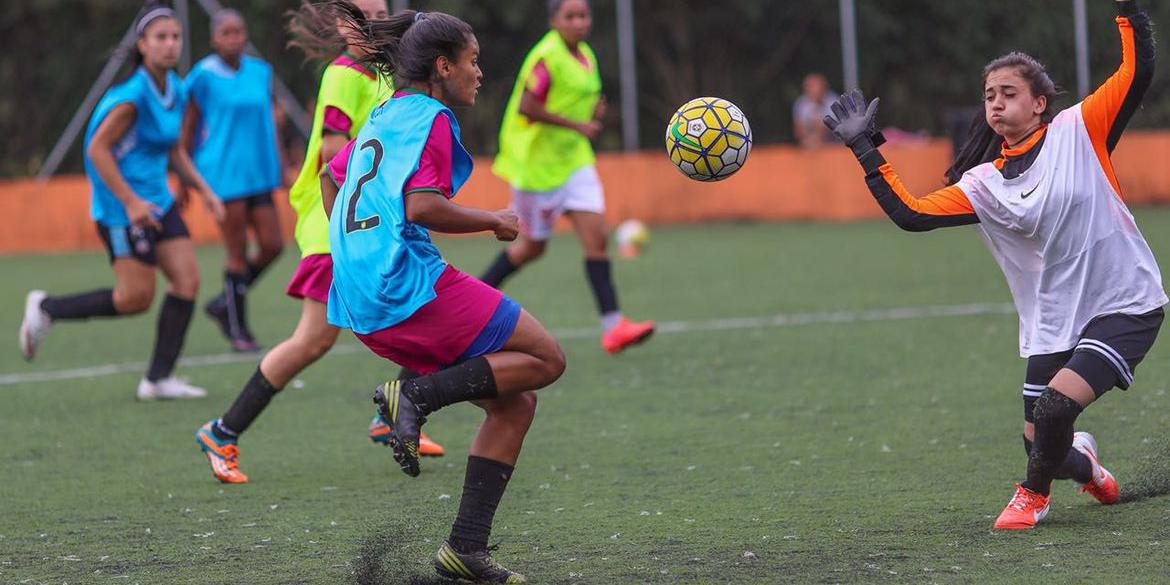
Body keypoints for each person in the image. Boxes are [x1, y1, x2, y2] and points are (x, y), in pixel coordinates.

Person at [823, 0, 1160, 531]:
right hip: (1053, 321)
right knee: (1041, 443)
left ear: (1040, 103)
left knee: (1052, 412)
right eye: (988, 96)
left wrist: (1127, 11)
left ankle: (1032, 496)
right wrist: (865, 147)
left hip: (1125, 301)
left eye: (1008, 93)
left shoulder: (1081, 130)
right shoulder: (984, 184)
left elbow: (1136, 71)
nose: (996, 104)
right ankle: (1085, 466)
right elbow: (912, 214)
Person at [325, 7, 566, 583]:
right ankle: (414, 397)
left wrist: (350, 246)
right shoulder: (432, 117)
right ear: (442, 66)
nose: (479, 73)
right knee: (546, 359)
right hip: (402, 283)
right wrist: (495, 221)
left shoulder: (385, 114)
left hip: (360, 290)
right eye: (473, 61)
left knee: (516, 406)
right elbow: (422, 206)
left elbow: (332, 173)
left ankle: (466, 550)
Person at [195, 0, 445, 486]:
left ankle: (393, 412)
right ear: (343, 25)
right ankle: (222, 430)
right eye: (363, 13)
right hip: (335, 225)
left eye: (380, 10)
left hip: (367, 224)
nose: (374, 19)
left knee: (420, 302)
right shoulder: (344, 75)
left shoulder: (384, 76)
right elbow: (334, 153)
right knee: (314, 339)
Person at [19, 3, 224, 400]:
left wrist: (206, 191)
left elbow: (174, 151)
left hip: (158, 202)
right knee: (134, 299)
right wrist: (130, 203)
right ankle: (47, 308)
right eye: (160, 38)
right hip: (121, 209)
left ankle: (157, 380)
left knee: (187, 281)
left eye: (175, 37)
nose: (170, 45)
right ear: (142, 45)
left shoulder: (176, 90)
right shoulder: (131, 98)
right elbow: (96, 151)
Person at [480, 0, 655, 355]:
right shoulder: (547, 58)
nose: (579, 22)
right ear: (554, 21)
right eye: (570, 16)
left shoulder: (586, 55)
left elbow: (574, 101)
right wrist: (579, 124)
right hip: (539, 171)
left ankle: (613, 327)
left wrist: (592, 113)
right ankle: (475, 302)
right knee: (532, 248)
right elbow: (527, 106)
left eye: (584, 15)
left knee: (597, 238)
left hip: (575, 162)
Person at [184, 8, 284, 352]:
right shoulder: (202, 76)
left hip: (259, 170)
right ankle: (239, 330)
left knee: (273, 245)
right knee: (237, 252)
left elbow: (270, 122)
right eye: (226, 32)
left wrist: (283, 164)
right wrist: (183, 177)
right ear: (214, 38)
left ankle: (223, 302)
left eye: (239, 31)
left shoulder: (261, 72)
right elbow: (189, 125)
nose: (234, 38)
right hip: (222, 173)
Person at [793, 72, 839, 148]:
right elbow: (799, 129)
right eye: (810, 87)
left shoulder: (833, 101)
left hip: (833, 144)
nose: (814, 90)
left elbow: (832, 127)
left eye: (815, 86)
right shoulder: (801, 104)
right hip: (809, 142)